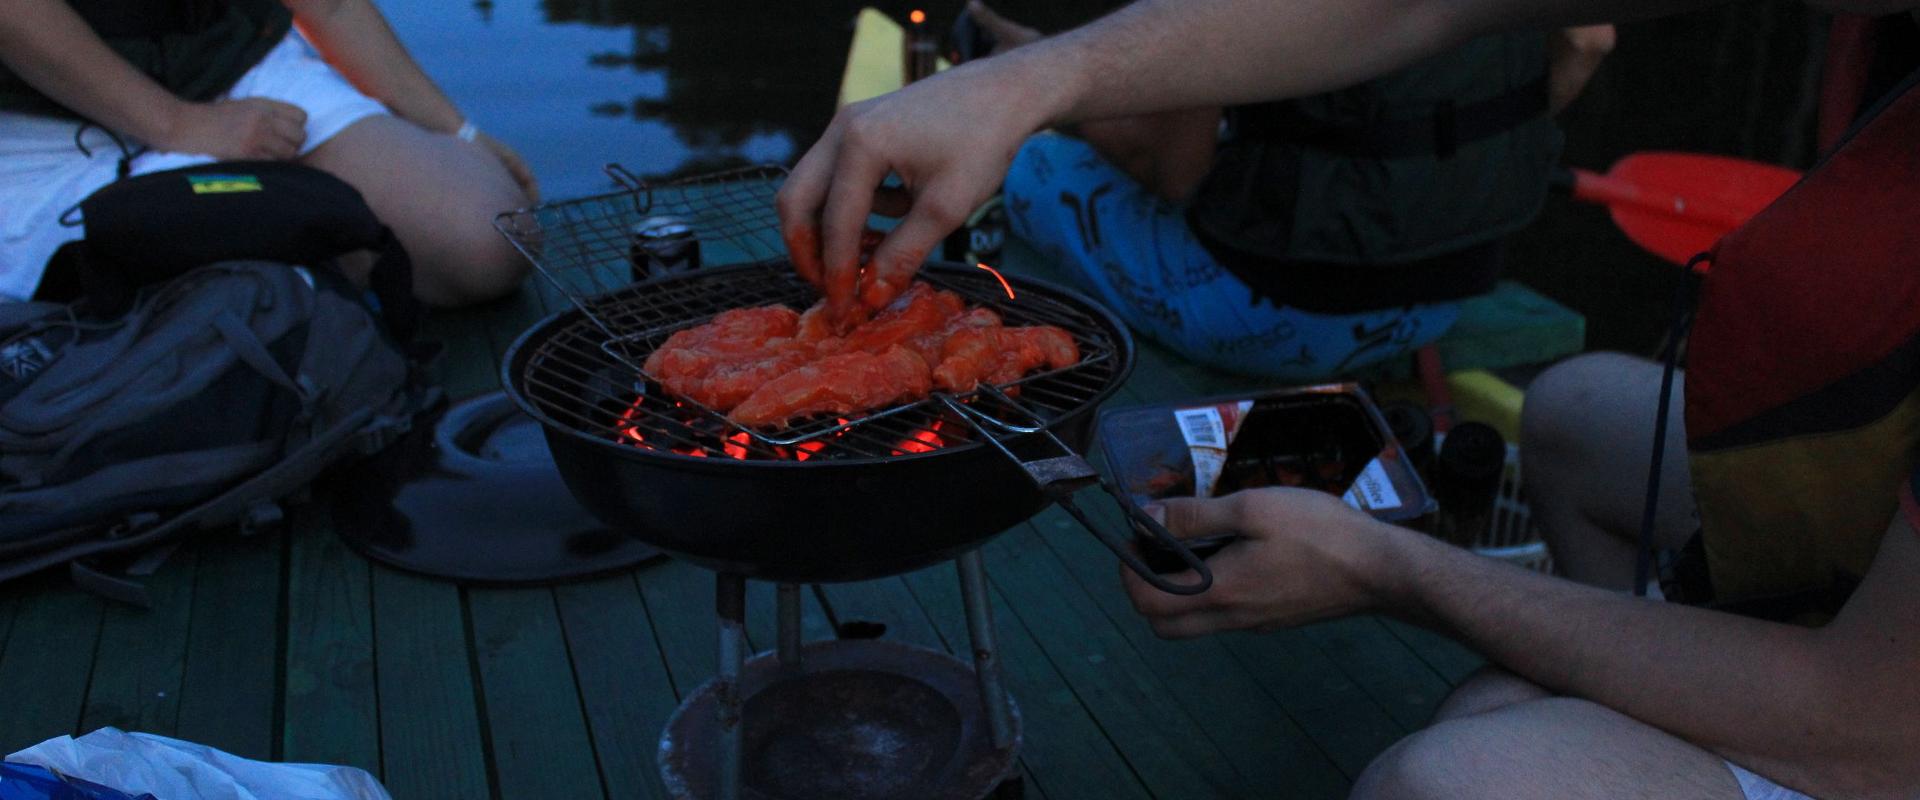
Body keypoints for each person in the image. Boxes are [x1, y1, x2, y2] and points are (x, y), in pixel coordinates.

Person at [775, 0, 1920, 797]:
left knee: (1452, 769)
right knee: (1568, 410)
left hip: (1876, 718)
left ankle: (1597, 710)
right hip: (1448, 291)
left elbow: (1868, 725)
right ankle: (1624, 684)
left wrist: (1391, 567)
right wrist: (1028, 78)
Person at [964, 2, 1610, 379]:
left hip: (1279, 316)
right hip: (1449, 295)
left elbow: (1172, 174)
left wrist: (1046, 89)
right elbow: (1588, 41)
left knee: (1036, 162)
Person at [0, 0, 539, 306]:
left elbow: (333, 6)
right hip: (35, 122)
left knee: (490, 243)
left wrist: (460, 132)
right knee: (213, 315)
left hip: (233, 60)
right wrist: (179, 125)